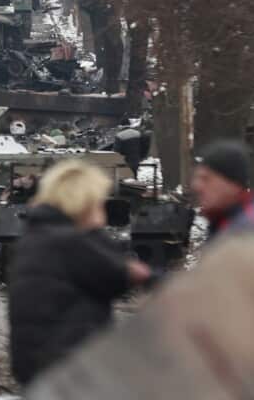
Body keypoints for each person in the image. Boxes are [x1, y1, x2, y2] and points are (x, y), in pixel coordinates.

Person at [8, 159, 151, 385]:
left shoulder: (38, 235)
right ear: (83, 202)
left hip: (41, 364)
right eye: (98, 202)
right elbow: (118, 276)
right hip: (67, 366)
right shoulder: (69, 242)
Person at [191, 139, 254, 242]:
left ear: (230, 182)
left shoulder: (250, 229)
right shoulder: (226, 220)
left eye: (206, 179)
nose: (196, 186)